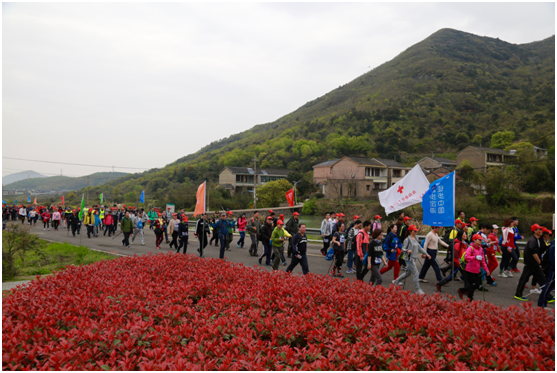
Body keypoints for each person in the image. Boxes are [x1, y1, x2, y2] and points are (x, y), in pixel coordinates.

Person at [393, 225, 431, 295]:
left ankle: (396, 281)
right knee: (416, 273)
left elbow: (419, 248)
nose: (416, 232)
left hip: (414, 258)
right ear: (410, 231)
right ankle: (418, 289)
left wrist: (426, 254)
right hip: (409, 259)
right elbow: (403, 249)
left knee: (408, 273)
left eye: (416, 230)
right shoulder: (407, 240)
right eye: (414, 231)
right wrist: (407, 251)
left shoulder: (416, 238)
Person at [514, 224, 547, 302]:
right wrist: (540, 262)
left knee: (542, 279)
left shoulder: (538, 240)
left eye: (541, 229)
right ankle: (518, 294)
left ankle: (548, 296)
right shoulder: (533, 240)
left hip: (534, 264)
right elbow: (533, 252)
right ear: (535, 231)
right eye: (539, 229)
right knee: (524, 279)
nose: (541, 231)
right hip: (530, 264)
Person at [457, 234, 490, 301]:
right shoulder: (470, 248)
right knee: (473, 284)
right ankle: (470, 298)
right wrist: (475, 257)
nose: (481, 241)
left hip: (477, 270)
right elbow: (466, 257)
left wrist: (487, 270)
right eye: (479, 240)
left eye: (481, 240)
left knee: (477, 285)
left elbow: (483, 261)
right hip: (469, 270)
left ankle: (462, 291)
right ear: (474, 240)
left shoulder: (481, 249)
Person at [538, 238, 555, 308]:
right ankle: (541, 304)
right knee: (548, 286)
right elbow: (553, 259)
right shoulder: (554, 246)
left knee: (549, 286)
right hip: (553, 269)